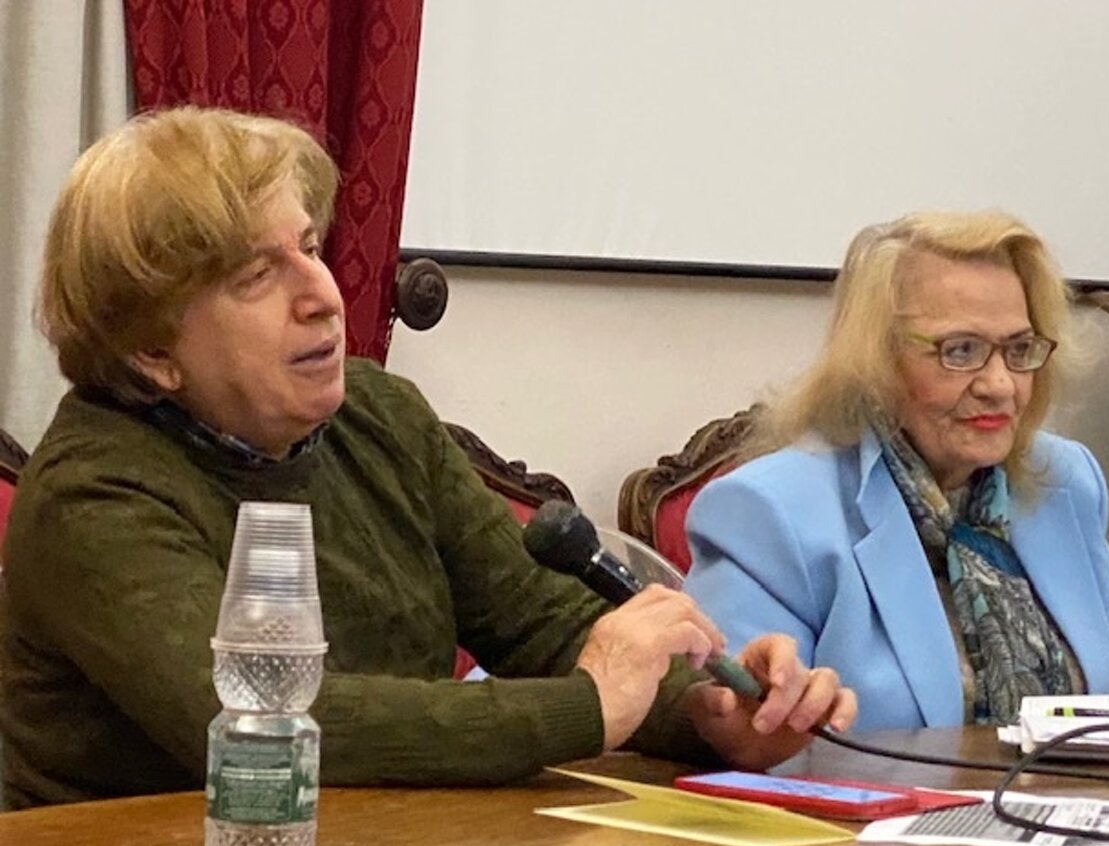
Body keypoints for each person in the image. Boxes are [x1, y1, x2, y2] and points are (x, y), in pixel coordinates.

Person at [0, 106, 855, 809]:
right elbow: (262, 720)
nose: (321, 295)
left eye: (310, 248)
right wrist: (588, 704)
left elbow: (541, 623)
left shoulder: (379, 416)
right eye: (257, 275)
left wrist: (706, 712)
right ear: (153, 350)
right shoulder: (95, 493)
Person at [683, 211, 1109, 732]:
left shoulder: (1065, 481)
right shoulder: (770, 512)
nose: (1000, 385)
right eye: (961, 351)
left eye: (1019, 349)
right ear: (877, 360)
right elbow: (742, 733)